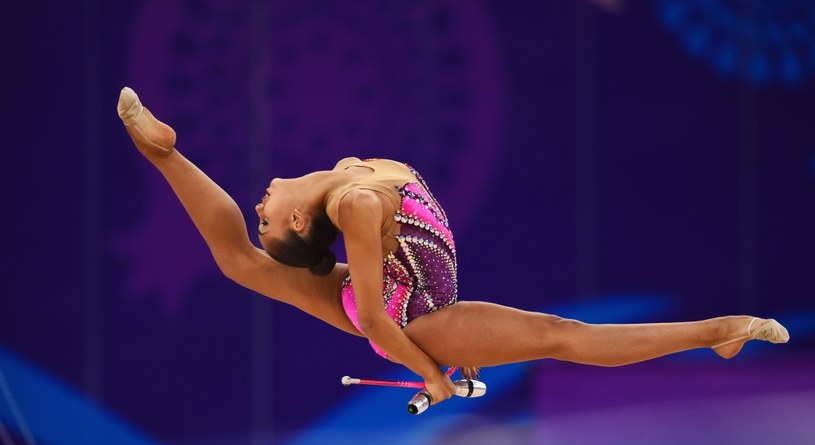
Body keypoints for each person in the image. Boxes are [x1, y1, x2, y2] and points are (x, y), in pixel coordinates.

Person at [117, 87, 789, 406]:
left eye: (259, 216)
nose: (260, 206)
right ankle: (718, 331)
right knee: (563, 336)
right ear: (300, 226)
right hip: (412, 319)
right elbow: (378, 323)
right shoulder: (351, 198)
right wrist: (433, 375)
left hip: (401, 302)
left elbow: (368, 303)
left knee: (241, 264)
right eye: (267, 219)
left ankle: (165, 153)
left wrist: (439, 375)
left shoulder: (350, 173)